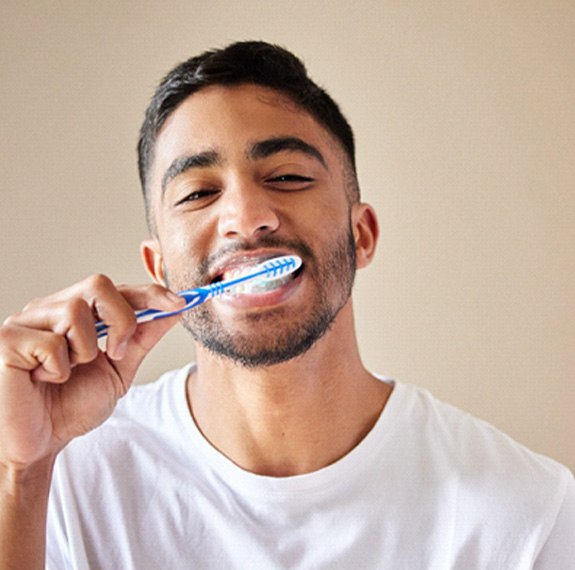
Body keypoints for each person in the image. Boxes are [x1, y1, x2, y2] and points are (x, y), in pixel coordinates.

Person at [0, 41, 573, 570]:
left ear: (362, 234)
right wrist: (20, 477)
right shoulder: (61, 480)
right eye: (199, 192)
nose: (246, 216)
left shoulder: (526, 516)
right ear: (159, 269)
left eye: (288, 176)